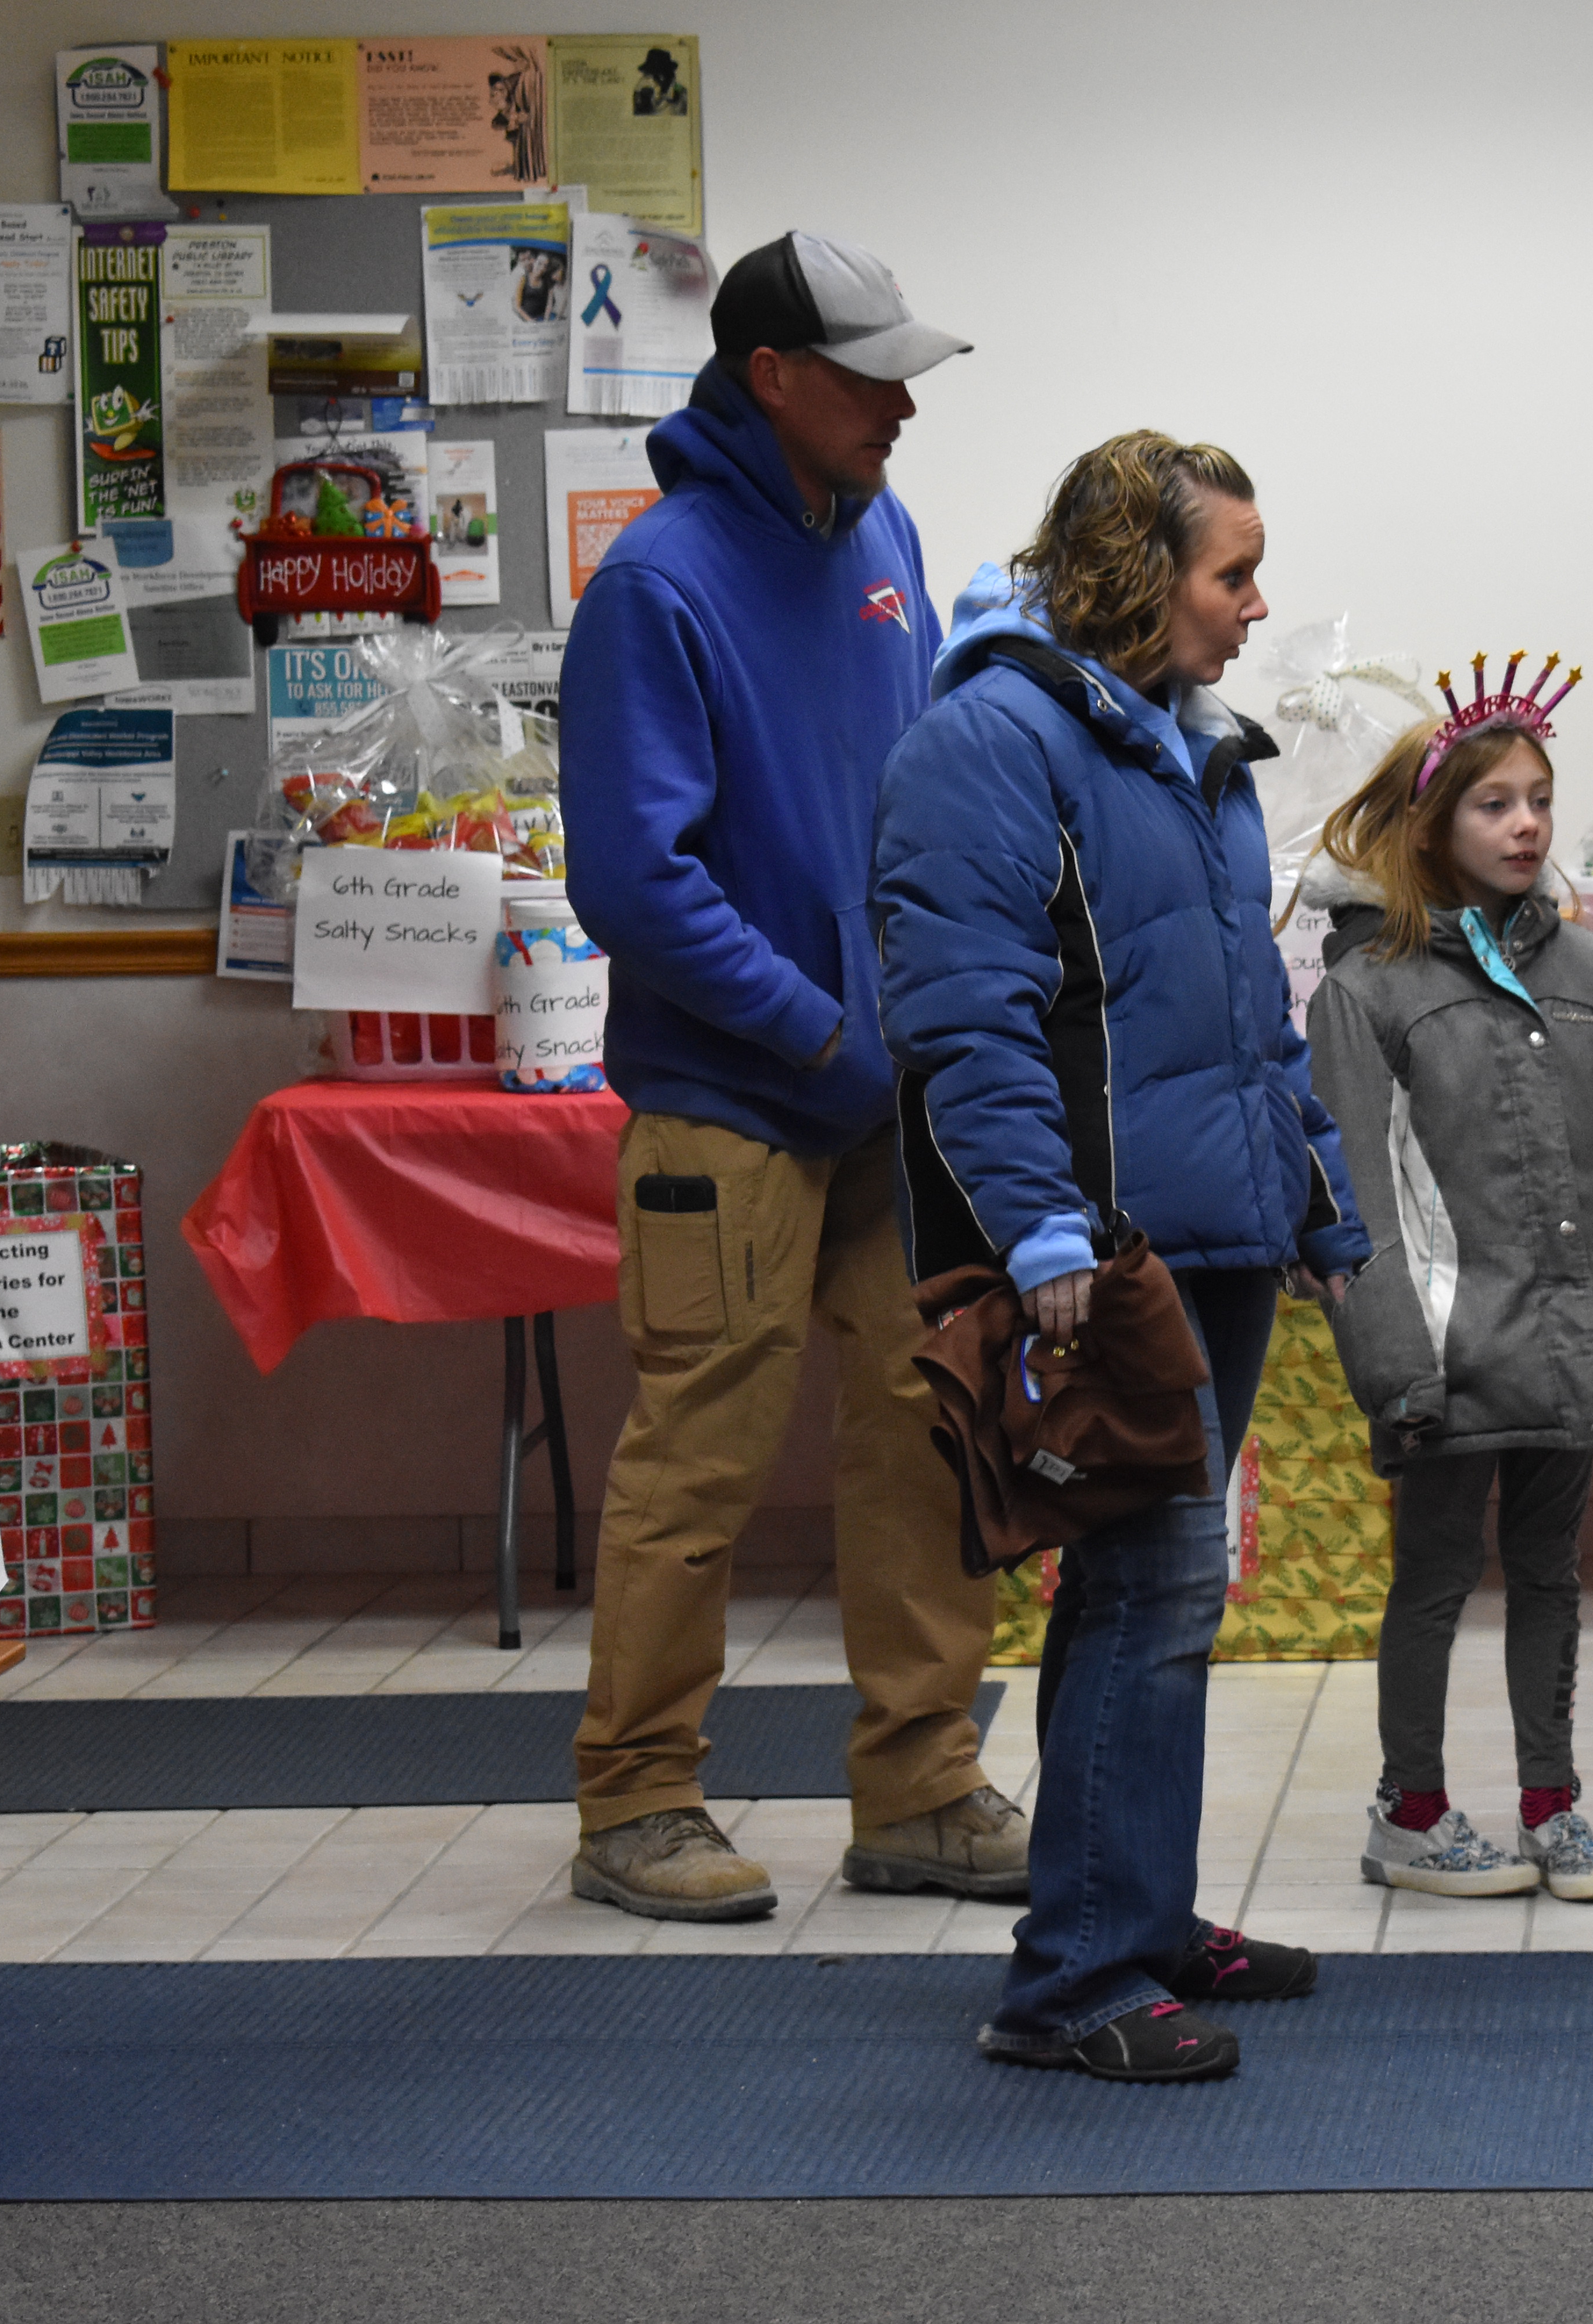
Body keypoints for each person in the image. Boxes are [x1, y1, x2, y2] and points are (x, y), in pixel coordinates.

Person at [874, 430, 1372, 2081]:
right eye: (1233, 572)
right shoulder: (992, 741)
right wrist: (1037, 1230)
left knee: (1170, 1592)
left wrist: (1316, 1195)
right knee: (1139, 1588)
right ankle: (1076, 1981)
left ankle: (1142, 1923)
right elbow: (966, 1022)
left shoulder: (1194, 748)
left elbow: (1249, 1016)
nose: (1256, 602)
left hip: (1212, 1239)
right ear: (1139, 576)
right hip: (1104, 1255)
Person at [558, 231, 1028, 1924]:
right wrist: (820, 1031)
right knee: (700, 1456)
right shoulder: (658, 585)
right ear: (772, 377)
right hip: (737, 1100)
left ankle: (921, 1788)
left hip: (897, 1095)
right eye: (870, 372)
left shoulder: (885, 534)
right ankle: (636, 1806)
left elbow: (915, 792)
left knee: (931, 1435)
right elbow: (634, 880)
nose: (905, 402)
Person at [1298, 662, 1593, 1902]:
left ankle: (1555, 1805)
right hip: (1449, 1347)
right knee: (1434, 1575)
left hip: (1569, 1335)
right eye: (1493, 803)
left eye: (1538, 798)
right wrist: (1396, 1361)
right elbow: (1358, 1200)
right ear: (1433, 825)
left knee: (1554, 1570)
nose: (1526, 823)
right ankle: (1413, 1810)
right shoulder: (1369, 985)